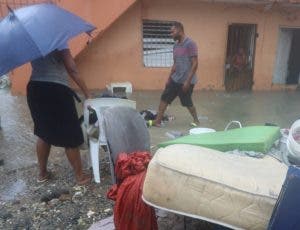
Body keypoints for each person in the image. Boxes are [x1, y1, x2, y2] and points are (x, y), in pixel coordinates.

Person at [27, 44, 91, 185]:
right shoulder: (57, 37)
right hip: (56, 89)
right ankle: (80, 177)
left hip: (35, 88)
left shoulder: (32, 40)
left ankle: (42, 174)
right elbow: (72, 68)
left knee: (43, 132)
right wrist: (87, 94)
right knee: (70, 133)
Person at [148, 21, 200, 127]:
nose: (171, 34)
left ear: (180, 30)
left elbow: (195, 64)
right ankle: (157, 121)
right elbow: (175, 64)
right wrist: (169, 79)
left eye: (172, 32)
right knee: (164, 98)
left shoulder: (190, 44)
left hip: (186, 81)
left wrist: (187, 82)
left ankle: (196, 120)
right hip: (175, 79)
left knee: (187, 102)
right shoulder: (175, 46)